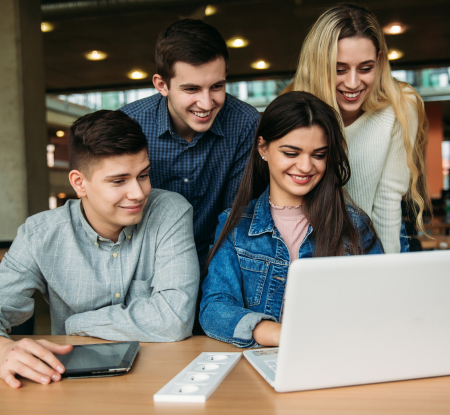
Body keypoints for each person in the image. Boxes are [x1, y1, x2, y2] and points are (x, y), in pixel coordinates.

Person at [0, 110, 199, 388]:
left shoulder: (170, 211)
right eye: (119, 181)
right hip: (69, 382)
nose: (138, 193)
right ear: (79, 183)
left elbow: (173, 320)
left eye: (143, 175)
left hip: (160, 375)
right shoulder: (39, 234)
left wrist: (76, 322)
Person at [200, 92, 383, 348]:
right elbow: (214, 309)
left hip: (340, 356)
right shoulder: (235, 225)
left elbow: (381, 305)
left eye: (318, 155)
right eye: (291, 153)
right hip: (265, 361)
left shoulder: (355, 225)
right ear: (263, 148)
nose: (306, 166)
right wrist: (279, 334)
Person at [286, 3, 430, 254]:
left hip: (378, 243)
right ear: (319, 64)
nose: (353, 83)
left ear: (379, 60)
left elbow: (388, 202)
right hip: (313, 244)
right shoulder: (299, 107)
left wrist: (385, 274)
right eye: (339, 69)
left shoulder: (400, 104)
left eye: (366, 68)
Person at [120, 19, 261, 269]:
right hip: (144, 265)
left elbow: (236, 218)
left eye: (217, 86)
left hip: (218, 263)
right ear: (162, 85)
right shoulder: (129, 123)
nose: (206, 103)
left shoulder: (246, 123)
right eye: (191, 89)